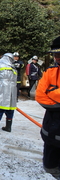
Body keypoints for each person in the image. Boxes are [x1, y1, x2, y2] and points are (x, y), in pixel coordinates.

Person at [35, 36, 60, 180]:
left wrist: (52, 92)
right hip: (51, 131)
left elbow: (47, 94)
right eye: (55, 54)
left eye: (59, 54)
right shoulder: (50, 72)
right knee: (50, 166)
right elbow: (40, 95)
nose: (57, 57)